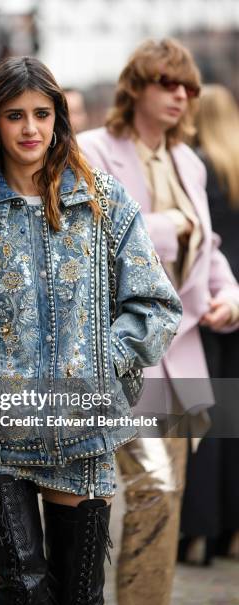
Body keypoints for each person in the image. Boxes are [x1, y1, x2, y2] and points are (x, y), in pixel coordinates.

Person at [0, 56, 181, 605]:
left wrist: (101, 358)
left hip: (80, 432)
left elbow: (154, 304)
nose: (30, 129)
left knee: (79, 598)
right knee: (25, 590)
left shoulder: (104, 203)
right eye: (15, 116)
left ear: (59, 120)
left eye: (42, 114)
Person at [78, 38, 239, 605]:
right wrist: (172, 227)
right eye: (167, 84)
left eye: (189, 88)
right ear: (135, 88)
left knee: (163, 500)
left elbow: (210, 245)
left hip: (184, 351)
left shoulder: (188, 159)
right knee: (145, 490)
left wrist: (230, 293)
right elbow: (95, 238)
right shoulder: (91, 151)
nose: (180, 96)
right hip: (116, 349)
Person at [179, 84, 239, 565]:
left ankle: (193, 531)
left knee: (197, 417)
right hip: (236, 302)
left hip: (204, 305)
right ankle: (229, 532)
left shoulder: (194, 167)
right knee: (233, 422)